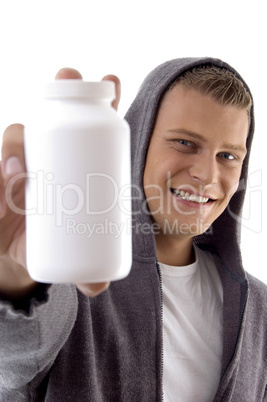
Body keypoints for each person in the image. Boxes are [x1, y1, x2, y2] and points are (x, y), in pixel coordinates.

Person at [0, 57, 266, 401]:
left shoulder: (258, 309)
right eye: (185, 142)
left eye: (228, 156)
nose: (207, 175)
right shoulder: (72, 279)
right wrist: (14, 276)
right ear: (136, 144)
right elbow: (14, 355)